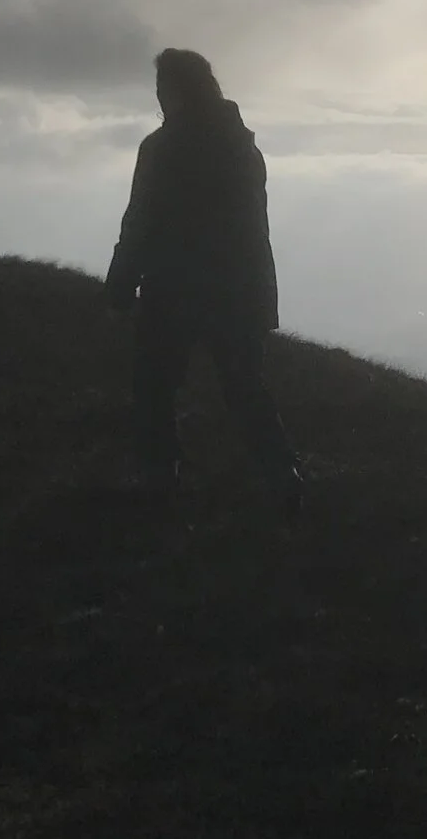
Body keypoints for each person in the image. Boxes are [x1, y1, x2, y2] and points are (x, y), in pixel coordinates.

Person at [105, 48, 301, 512]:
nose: (159, 97)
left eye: (162, 88)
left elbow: (143, 219)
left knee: (154, 383)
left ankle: (160, 477)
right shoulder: (242, 147)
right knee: (244, 385)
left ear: (175, 91)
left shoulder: (163, 148)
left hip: (175, 284)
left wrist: (119, 285)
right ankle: (282, 475)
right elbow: (254, 227)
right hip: (240, 285)